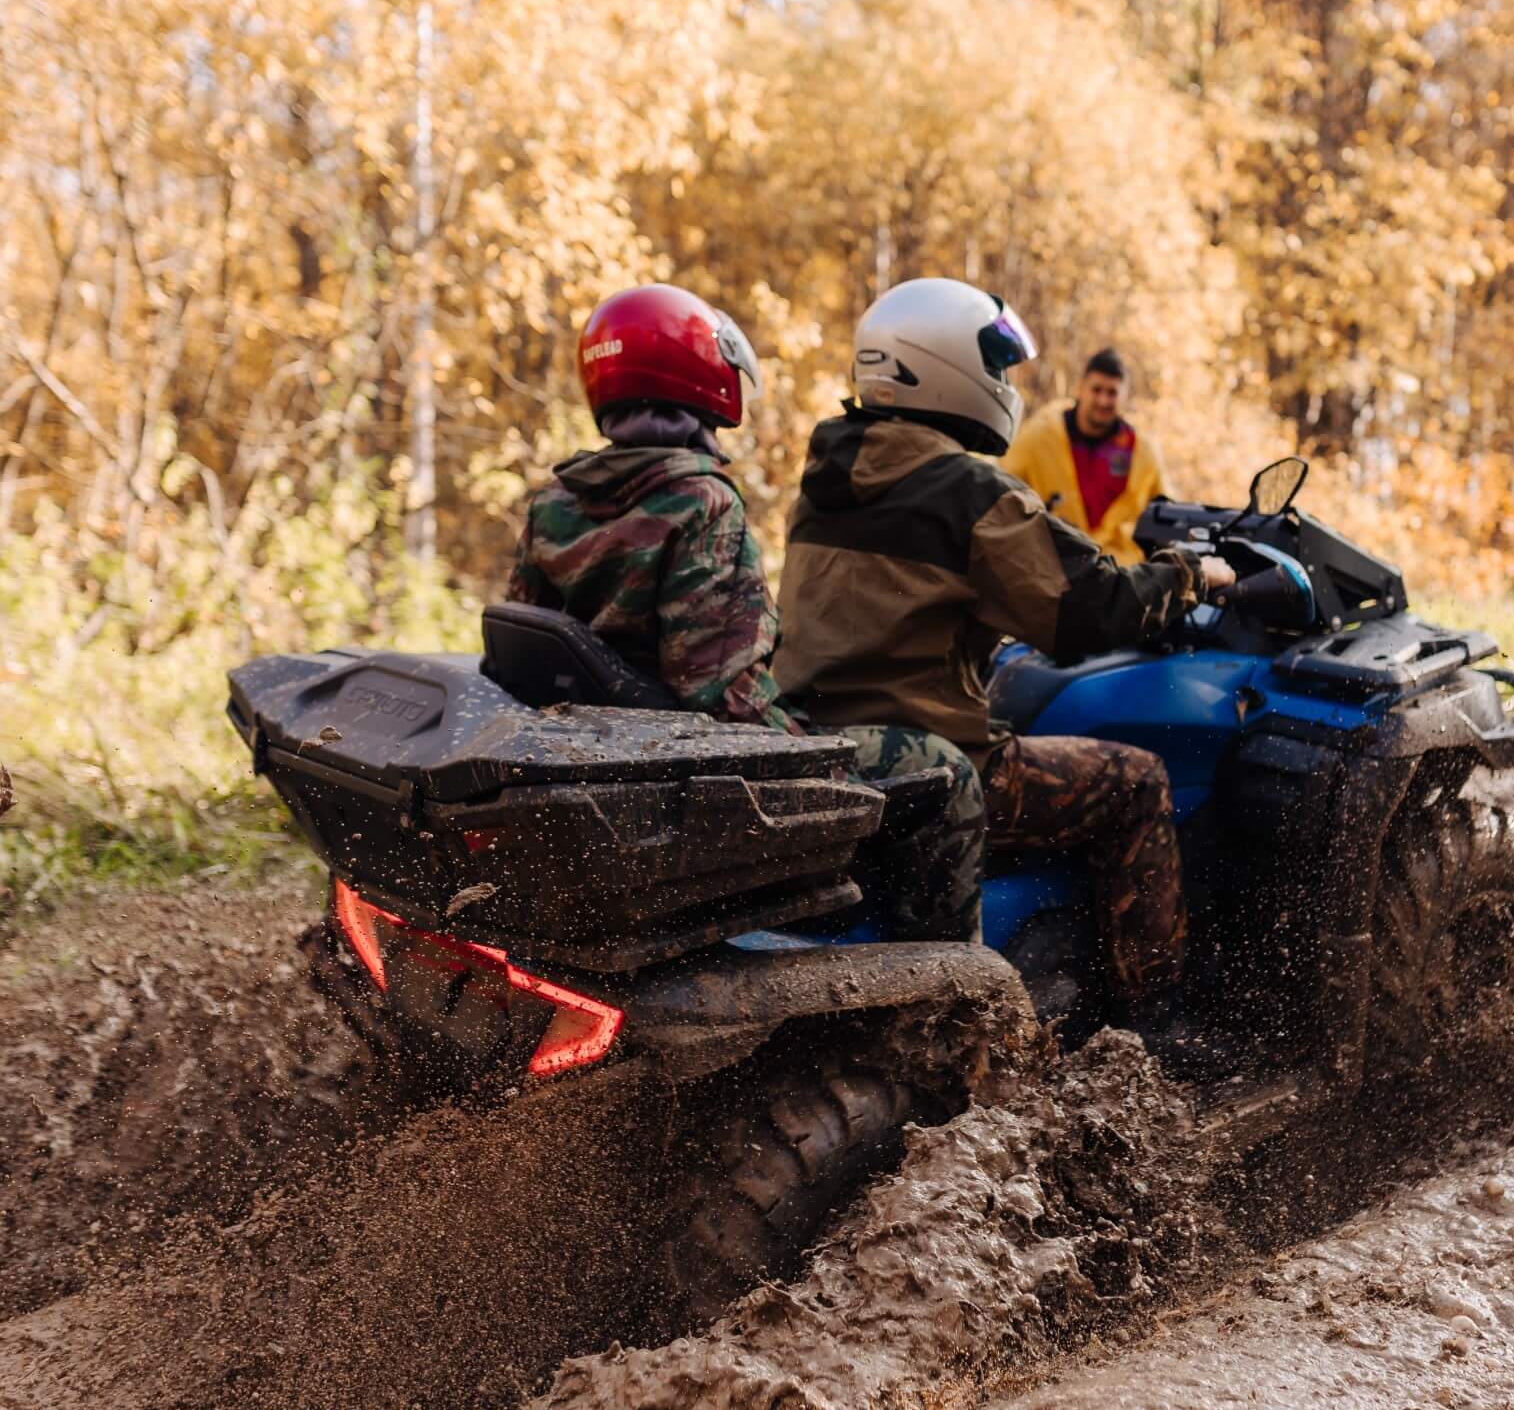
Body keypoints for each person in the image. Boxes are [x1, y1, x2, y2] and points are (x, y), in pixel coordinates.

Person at [773, 278, 1233, 1051]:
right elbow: (1093, 609)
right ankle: (1152, 1026)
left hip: (821, 748)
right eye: (998, 364)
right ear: (948, 366)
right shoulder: (968, 490)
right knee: (1138, 780)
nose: (1006, 384)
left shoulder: (828, 474)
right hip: (932, 762)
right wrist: (1192, 575)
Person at [506, 283, 798, 736]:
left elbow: (523, 661)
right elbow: (720, 695)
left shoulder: (554, 500)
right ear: (696, 368)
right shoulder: (704, 503)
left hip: (575, 746)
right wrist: (827, 759)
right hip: (673, 763)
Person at [999, 347, 1169, 566]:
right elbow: (1003, 492)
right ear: (1080, 389)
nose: (1103, 401)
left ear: (1124, 397)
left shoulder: (1142, 451)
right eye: (1096, 390)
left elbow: (1165, 512)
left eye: (1112, 393)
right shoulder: (1039, 437)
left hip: (1121, 573)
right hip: (1052, 565)